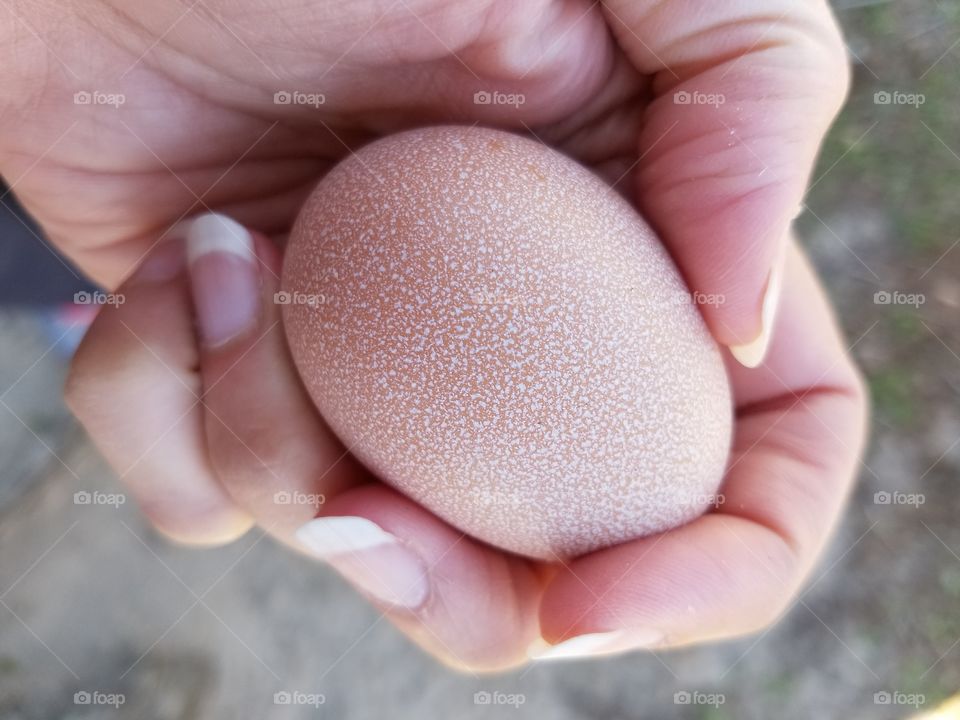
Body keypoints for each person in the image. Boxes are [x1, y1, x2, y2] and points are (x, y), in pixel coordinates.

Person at [0, 0, 866, 670]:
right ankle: (139, 291)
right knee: (137, 277)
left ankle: (126, 289)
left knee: (99, 268)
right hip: (134, 177)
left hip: (79, 157)